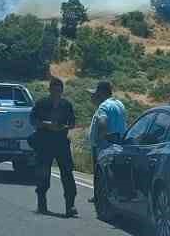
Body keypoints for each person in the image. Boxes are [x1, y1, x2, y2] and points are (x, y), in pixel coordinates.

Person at [30, 77, 79, 217]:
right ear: (49, 90)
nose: (57, 93)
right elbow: (32, 120)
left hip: (61, 143)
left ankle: (70, 206)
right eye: (54, 90)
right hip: (45, 143)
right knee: (43, 174)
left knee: (67, 174)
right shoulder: (41, 103)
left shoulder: (66, 105)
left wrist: (65, 126)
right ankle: (42, 203)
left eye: (59, 90)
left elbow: (72, 122)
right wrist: (46, 124)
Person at [87, 81, 127, 204]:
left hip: (104, 146)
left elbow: (102, 122)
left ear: (102, 92)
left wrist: (100, 138)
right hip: (119, 144)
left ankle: (100, 196)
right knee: (114, 173)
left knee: (101, 173)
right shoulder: (119, 104)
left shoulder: (103, 106)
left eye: (97, 93)